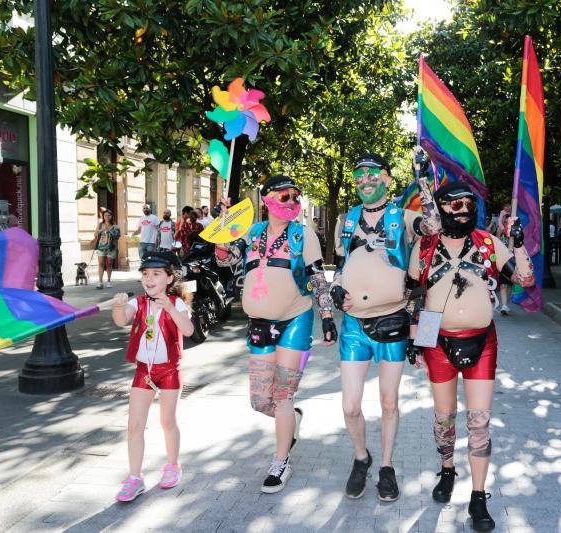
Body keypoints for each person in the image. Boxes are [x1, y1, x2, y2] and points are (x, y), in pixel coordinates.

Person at [405, 182, 535, 532]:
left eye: (466, 202)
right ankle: (447, 469)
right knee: (444, 418)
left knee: (479, 422)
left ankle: (478, 497)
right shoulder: (426, 245)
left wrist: (518, 242)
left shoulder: (488, 243)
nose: (461, 208)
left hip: (482, 344)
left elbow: (525, 278)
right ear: (441, 208)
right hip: (438, 344)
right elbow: (414, 293)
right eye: (453, 203)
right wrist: (414, 342)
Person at [329, 152, 441, 501]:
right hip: (352, 326)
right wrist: (334, 289)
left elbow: (434, 226)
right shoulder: (346, 220)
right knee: (350, 406)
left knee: (389, 402)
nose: (365, 180)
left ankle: (387, 467)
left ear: (388, 179)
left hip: (393, 322)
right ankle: (362, 457)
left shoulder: (404, 217)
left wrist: (423, 180)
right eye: (359, 174)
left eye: (373, 173)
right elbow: (339, 265)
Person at [216, 175, 338, 493]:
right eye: (285, 196)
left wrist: (327, 317)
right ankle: (292, 419)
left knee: (282, 395)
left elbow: (317, 277)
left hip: (294, 322)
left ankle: (281, 462)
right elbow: (229, 260)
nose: (293, 202)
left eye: (296, 197)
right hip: (259, 325)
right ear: (267, 200)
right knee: (260, 400)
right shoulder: (254, 233)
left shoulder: (303, 234)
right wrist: (222, 232)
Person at [111, 250, 194, 502]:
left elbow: (188, 329)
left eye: (156, 274)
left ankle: (172, 465)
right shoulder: (138, 303)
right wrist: (117, 305)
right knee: (134, 425)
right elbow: (120, 320)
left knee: (167, 420)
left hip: (169, 371)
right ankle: (135, 477)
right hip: (143, 372)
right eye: (145, 274)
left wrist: (170, 307)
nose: (149, 279)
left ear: (169, 278)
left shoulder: (176, 303)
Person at [94, 209, 120, 289]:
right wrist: (101, 230)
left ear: (111, 216)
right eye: (105, 215)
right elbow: (95, 234)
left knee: (109, 264)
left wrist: (110, 230)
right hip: (101, 247)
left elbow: (117, 237)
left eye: (109, 215)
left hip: (111, 248)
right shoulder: (100, 225)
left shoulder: (115, 226)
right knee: (101, 263)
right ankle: (100, 282)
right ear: (103, 216)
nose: (107, 217)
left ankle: (108, 281)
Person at [495, 215, 512, 316]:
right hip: (501, 260)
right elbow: (496, 243)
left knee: (509, 284)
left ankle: (506, 304)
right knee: (503, 284)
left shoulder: (513, 232)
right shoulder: (500, 231)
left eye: (508, 222)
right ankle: (504, 305)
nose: (506, 224)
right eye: (505, 222)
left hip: (512, 260)